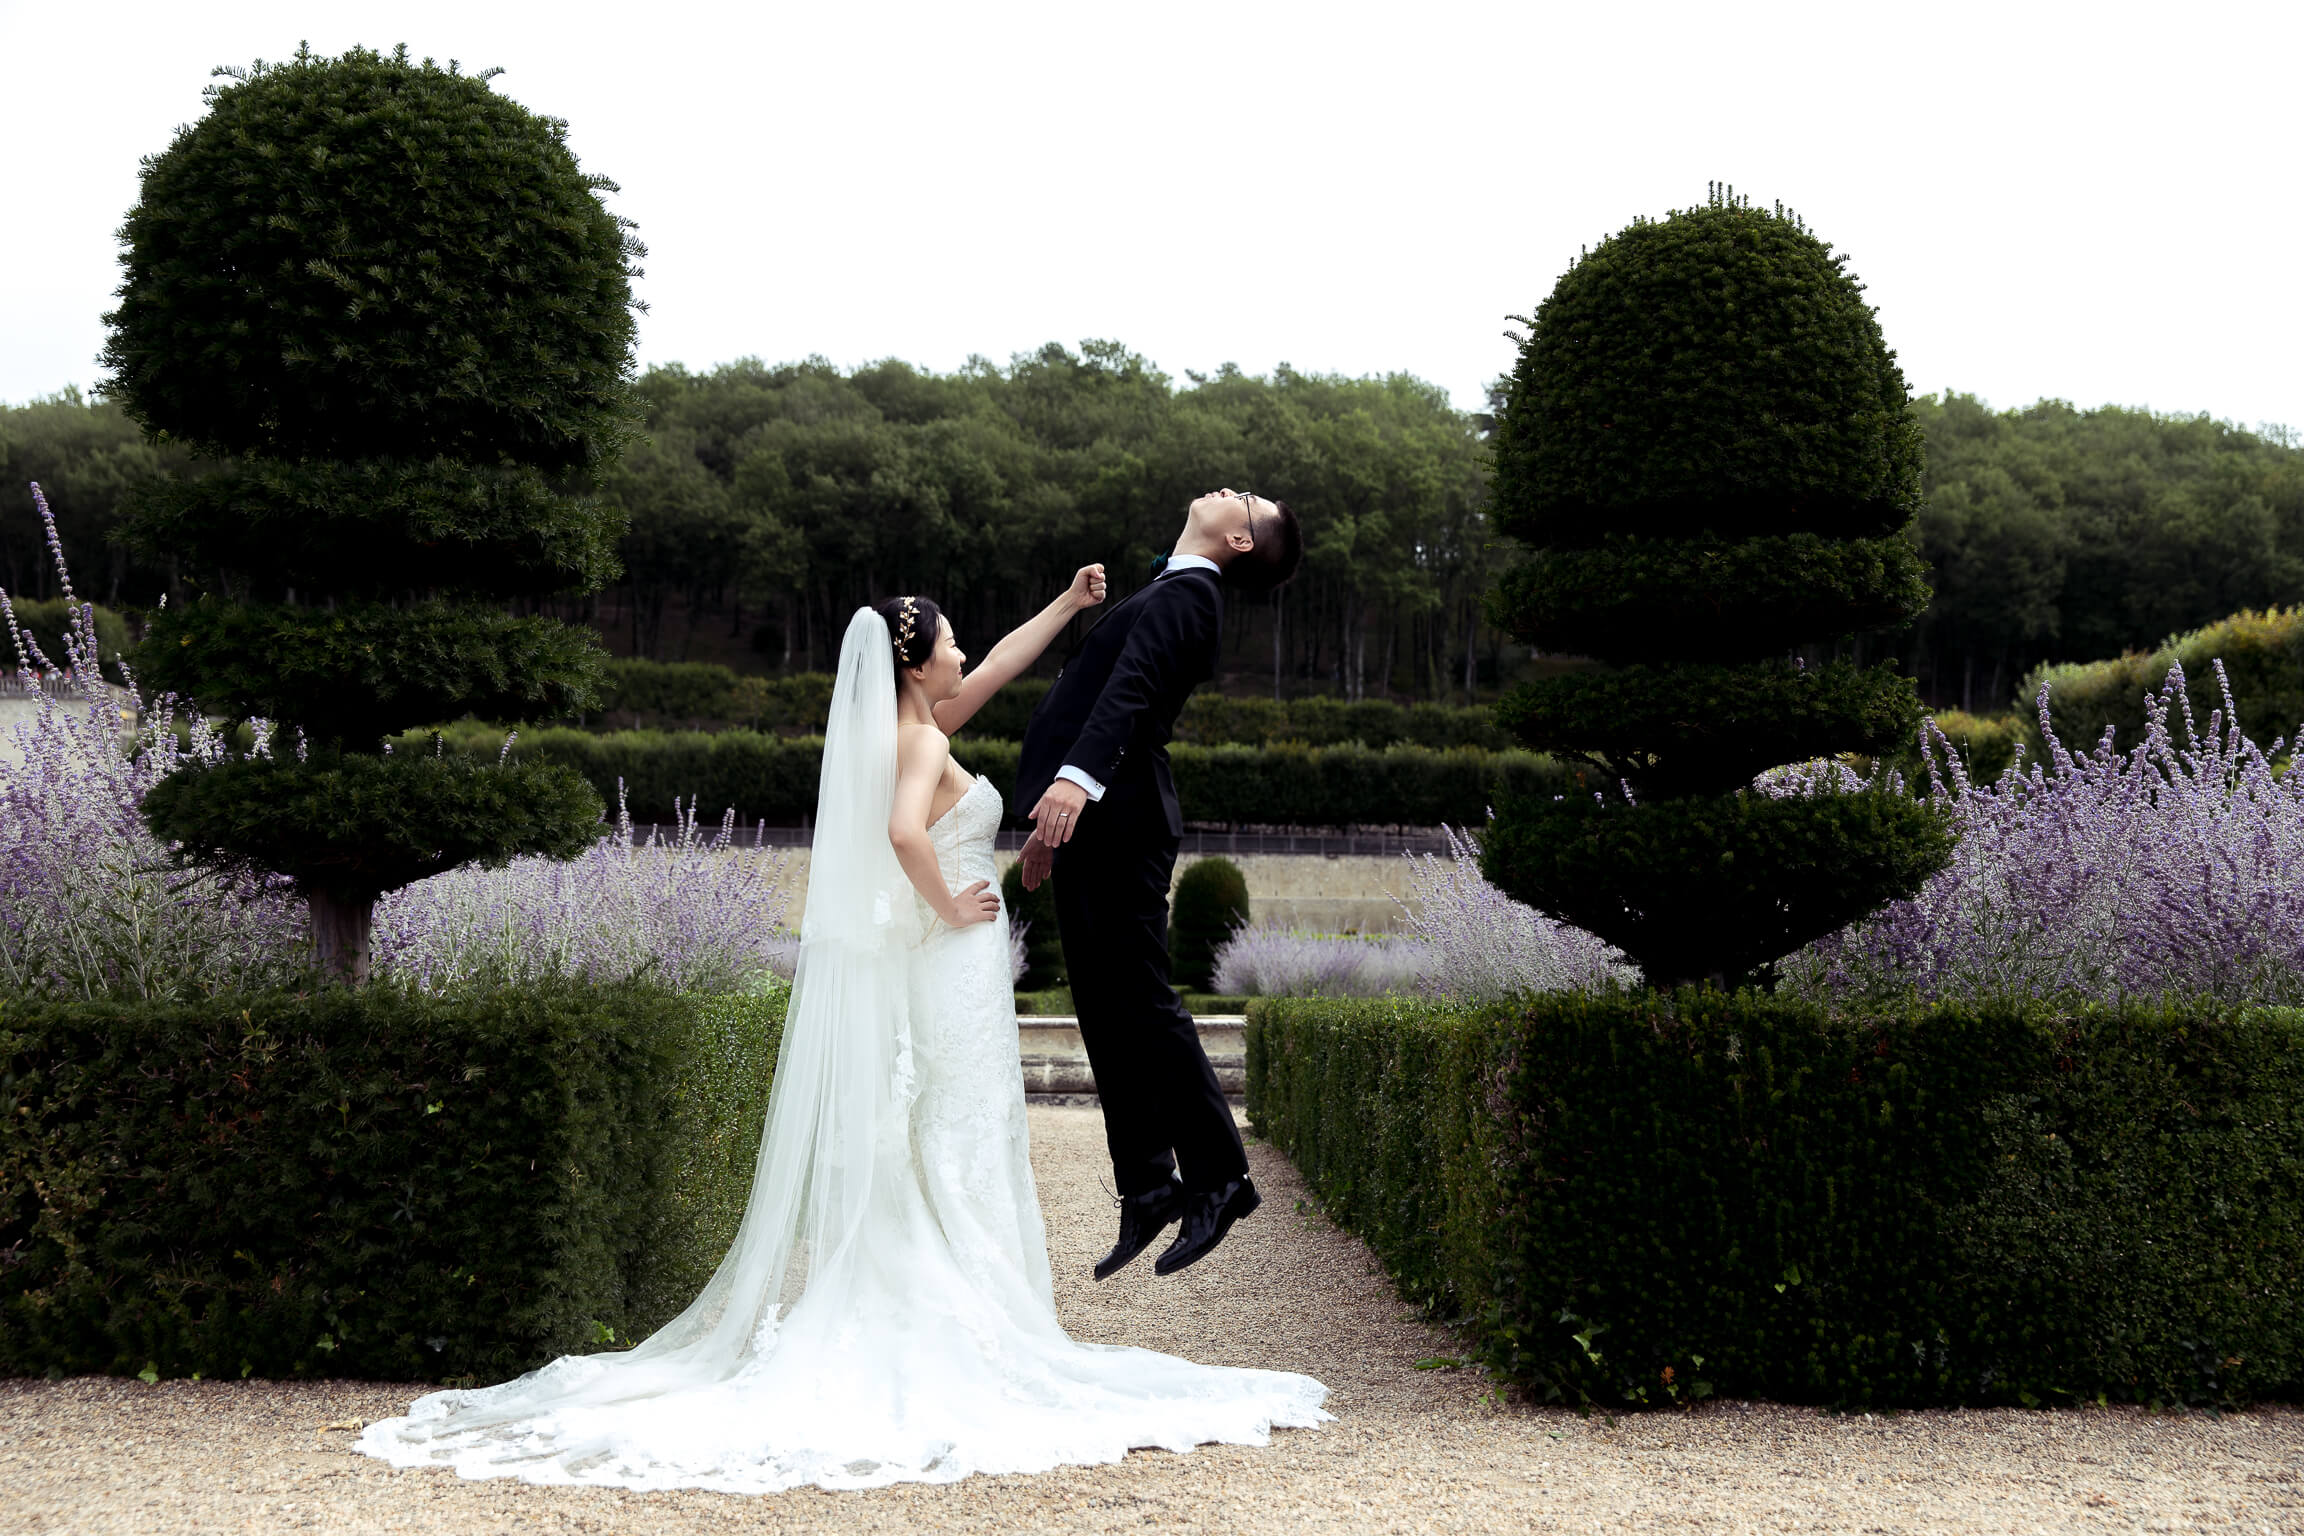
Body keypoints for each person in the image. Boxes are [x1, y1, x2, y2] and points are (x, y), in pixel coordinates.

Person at [355, 563, 1327, 1494]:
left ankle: (978, 1305)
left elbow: (996, 672)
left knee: (959, 1131)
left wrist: (1066, 606)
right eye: (949, 641)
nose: (962, 653)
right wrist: (950, 905)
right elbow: (907, 833)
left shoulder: (923, 720)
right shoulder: (915, 743)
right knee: (953, 1132)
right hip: (949, 960)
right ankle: (964, 1317)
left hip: (956, 967)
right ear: (916, 665)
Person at [1016, 489, 1304, 1281]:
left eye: (1241, 498)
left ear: (1240, 539)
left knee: (1141, 999)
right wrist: (1049, 820)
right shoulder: (1170, 589)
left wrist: (1072, 783)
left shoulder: (1194, 597)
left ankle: (1220, 1177)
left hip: (1121, 820)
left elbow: (1129, 693)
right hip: (1089, 823)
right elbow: (1093, 693)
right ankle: (1148, 1185)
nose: (1223, 490)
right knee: (1104, 1011)